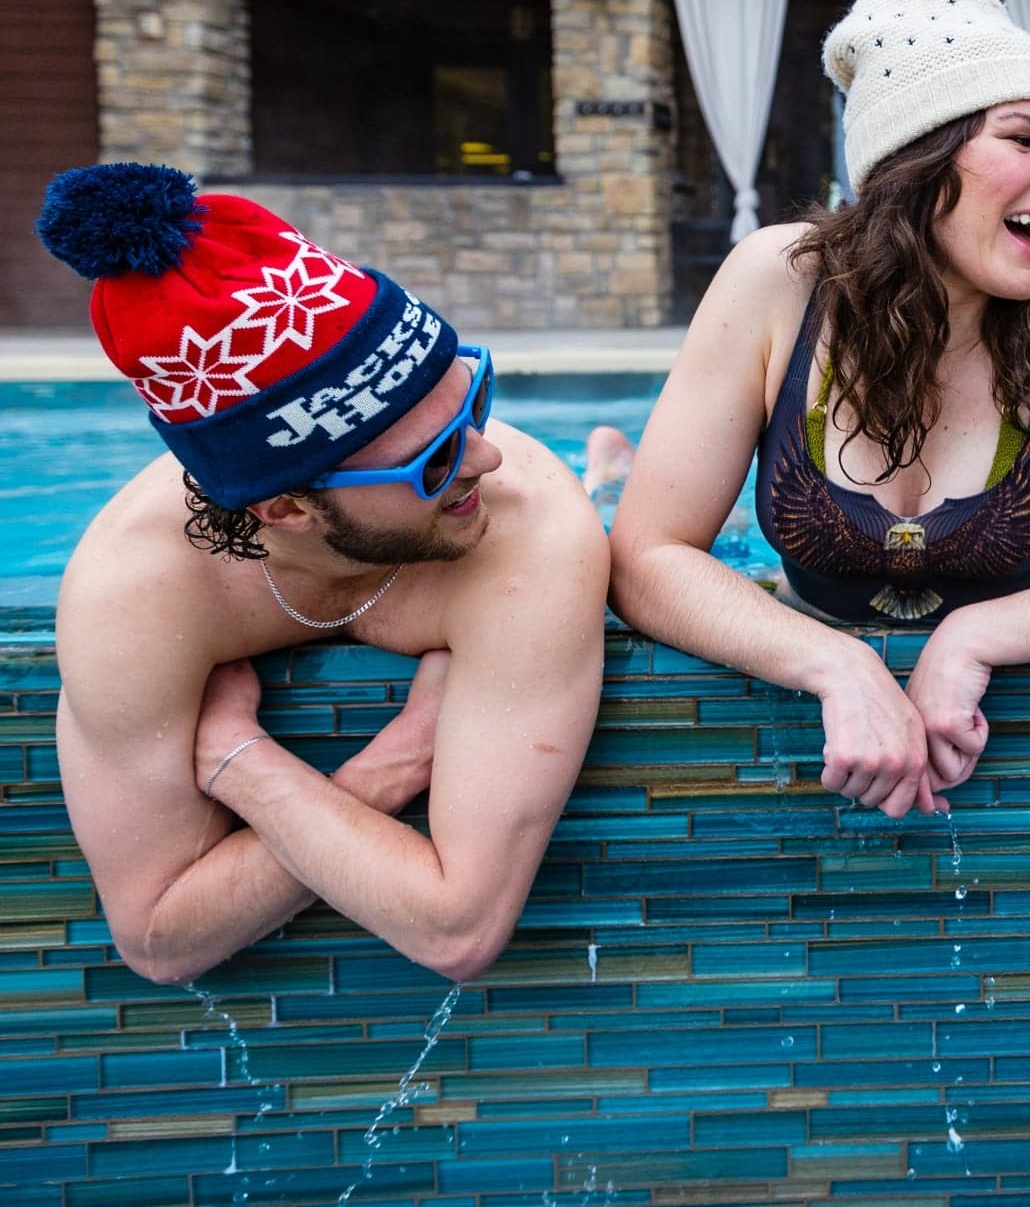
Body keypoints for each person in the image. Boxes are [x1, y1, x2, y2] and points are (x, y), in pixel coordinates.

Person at [608, 0, 1030, 818]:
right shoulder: (779, 283)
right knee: (607, 495)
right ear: (920, 154)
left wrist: (976, 634)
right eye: (1023, 137)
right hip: (802, 607)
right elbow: (646, 555)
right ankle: (609, 460)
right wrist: (832, 661)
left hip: (1028, 601)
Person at [35, 165, 604, 985]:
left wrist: (239, 762)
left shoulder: (527, 518)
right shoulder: (135, 591)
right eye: (434, 460)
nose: (490, 453)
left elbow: (464, 926)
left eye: (473, 398)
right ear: (285, 508)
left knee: (587, 497)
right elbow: (159, 938)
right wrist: (384, 765)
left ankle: (603, 471)